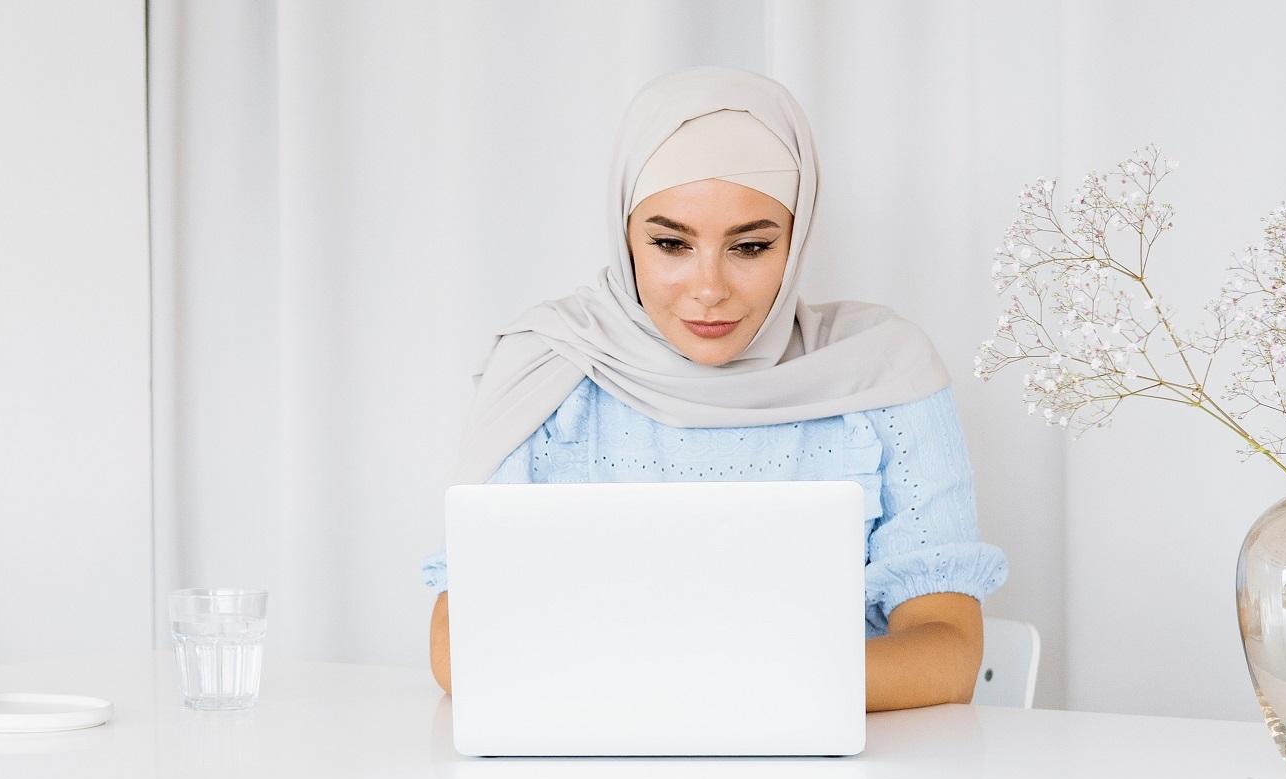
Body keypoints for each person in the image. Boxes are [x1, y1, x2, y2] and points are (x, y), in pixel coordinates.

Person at [421, 65, 1008, 713]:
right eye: (671, 243)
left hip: (835, 778)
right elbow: (461, 647)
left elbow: (949, 650)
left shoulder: (882, 372)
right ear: (625, 236)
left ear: (797, 236)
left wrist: (691, 687)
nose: (709, 288)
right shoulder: (550, 367)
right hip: (592, 778)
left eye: (750, 247)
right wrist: (739, 682)